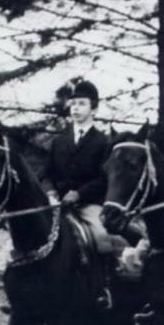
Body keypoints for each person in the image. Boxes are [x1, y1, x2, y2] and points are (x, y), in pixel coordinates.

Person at [40, 79, 117, 307]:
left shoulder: (103, 142)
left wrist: (79, 194)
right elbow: (45, 174)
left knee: (101, 236)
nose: (75, 108)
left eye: (82, 103)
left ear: (94, 109)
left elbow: (104, 179)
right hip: (57, 205)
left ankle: (104, 287)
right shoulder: (59, 141)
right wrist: (50, 192)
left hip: (88, 205)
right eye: (73, 104)